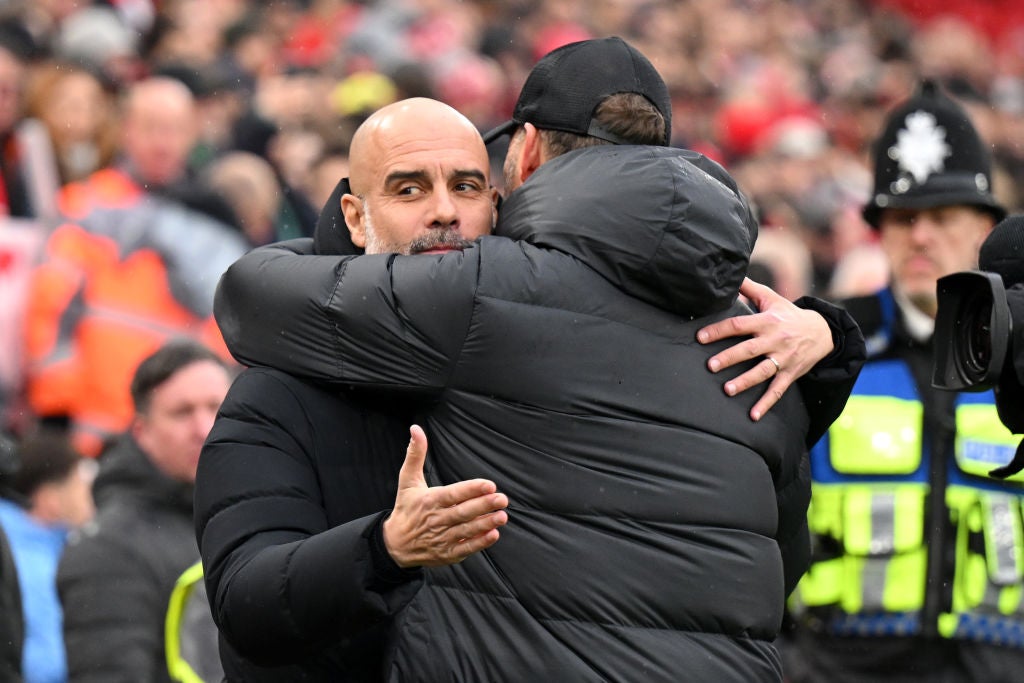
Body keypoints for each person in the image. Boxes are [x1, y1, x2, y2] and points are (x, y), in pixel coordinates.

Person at [206, 38, 864, 681]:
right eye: (408, 190)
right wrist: (382, 549)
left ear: (511, 177)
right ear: (355, 214)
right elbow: (246, 601)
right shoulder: (766, 335)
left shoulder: (485, 295)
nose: (443, 212)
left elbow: (249, 292)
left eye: (466, 185)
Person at [784, 79, 1024, 682]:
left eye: (942, 217)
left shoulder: (1022, 360)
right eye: (902, 218)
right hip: (837, 666)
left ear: (986, 228)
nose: (920, 236)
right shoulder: (826, 351)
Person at [23, 76, 248, 457]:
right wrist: (57, 413)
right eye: (150, 128)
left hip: (186, 440)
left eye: (174, 130)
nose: (162, 143)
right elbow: (49, 315)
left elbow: (229, 332)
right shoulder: (85, 207)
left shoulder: (214, 221)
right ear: (126, 130)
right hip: (96, 434)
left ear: (192, 135)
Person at [57, 339, 233, 682]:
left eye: (217, 408)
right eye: (182, 412)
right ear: (142, 431)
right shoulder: (110, 547)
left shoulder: (251, 517)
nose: (204, 428)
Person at [0, 429, 95, 683]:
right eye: (79, 484)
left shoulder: (45, 550)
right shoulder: (34, 567)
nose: (89, 497)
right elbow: (45, 664)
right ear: (50, 499)